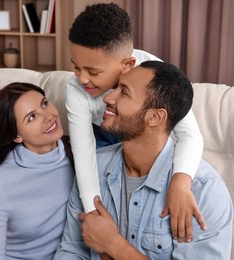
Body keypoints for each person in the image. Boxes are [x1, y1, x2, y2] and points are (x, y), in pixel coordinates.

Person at [54, 61, 233, 259]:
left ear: (155, 117)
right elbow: (71, 251)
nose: (108, 97)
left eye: (124, 92)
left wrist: (113, 244)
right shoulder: (92, 168)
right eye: (116, 87)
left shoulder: (204, 192)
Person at [66, 2, 205, 242]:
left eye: (92, 71)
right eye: (76, 67)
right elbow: (83, 153)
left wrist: (180, 182)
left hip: (138, 132)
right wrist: (94, 212)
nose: (82, 78)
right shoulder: (75, 88)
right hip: (100, 135)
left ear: (127, 65)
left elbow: (190, 134)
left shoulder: (155, 76)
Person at [0, 82, 75, 259]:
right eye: (32, 117)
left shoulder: (77, 155)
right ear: (16, 136)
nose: (48, 117)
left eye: (44, 104)